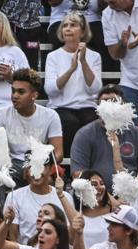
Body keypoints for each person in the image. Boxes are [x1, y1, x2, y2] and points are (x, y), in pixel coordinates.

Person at [70, 86, 138, 189]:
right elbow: (78, 174)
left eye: (114, 101)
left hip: (131, 194)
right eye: (105, 102)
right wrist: (106, 198)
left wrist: (131, 192)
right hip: (96, 195)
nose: (109, 106)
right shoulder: (84, 134)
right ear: (97, 108)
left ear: (123, 106)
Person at [0, 69, 64, 180]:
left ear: (34, 95)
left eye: (21, 92)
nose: (15, 96)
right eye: (13, 91)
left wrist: (39, 164)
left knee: (50, 175)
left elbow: (58, 153)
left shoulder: (51, 115)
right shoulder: (0, 115)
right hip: (11, 164)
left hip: (39, 162)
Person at [44, 13, 103, 154]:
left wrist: (83, 62)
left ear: (83, 32)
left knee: (92, 121)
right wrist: (71, 69)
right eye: (65, 26)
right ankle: (67, 170)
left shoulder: (94, 56)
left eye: (73, 25)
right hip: (60, 107)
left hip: (86, 106)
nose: (68, 29)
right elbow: (50, 90)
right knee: (69, 122)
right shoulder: (53, 56)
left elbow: (95, 89)